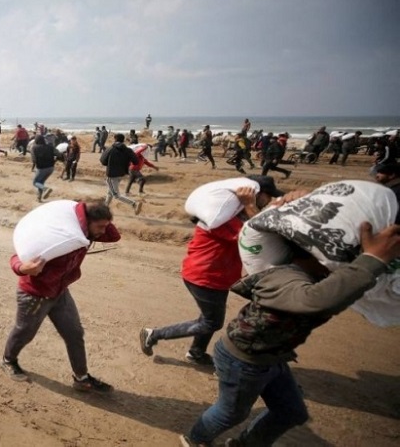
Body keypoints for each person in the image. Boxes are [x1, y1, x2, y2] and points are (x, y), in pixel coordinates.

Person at [180, 222, 400, 447]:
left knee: (291, 412)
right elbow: (317, 301)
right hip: (244, 359)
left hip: (272, 356)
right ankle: (195, 440)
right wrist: (371, 261)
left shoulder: (311, 275)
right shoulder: (286, 276)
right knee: (231, 413)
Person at [140, 177, 286, 365]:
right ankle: (154, 334)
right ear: (254, 195)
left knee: (208, 317)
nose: (269, 200)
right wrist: (250, 205)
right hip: (205, 277)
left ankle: (196, 353)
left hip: (214, 276)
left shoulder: (232, 215)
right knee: (212, 322)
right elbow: (258, 236)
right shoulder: (224, 220)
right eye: (267, 196)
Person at [1, 201, 120, 392]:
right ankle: (8, 360)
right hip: (34, 295)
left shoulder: (85, 233)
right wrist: (23, 268)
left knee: (74, 334)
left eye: (105, 226)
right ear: (88, 222)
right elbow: (19, 255)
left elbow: (114, 237)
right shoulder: (57, 236)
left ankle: (81, 379)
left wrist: (90, 214)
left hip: (60, 292)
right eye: (100, 226)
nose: (103, 231)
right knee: (25, 332)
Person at [101, 133, 142, 213]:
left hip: (111, 174)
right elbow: (136, 161)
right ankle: (105, 208)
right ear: (123, 140)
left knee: (116, 195)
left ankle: (133, 204)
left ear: (115, 139)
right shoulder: (128, 150)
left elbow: (103, 161)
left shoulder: (110, 149)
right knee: (110, 192)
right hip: (121, 174)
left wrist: (110, 163)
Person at [29, 135, 56, 202]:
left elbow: (34, 160)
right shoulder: (50, 146)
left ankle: (46, 189)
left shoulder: (34, 148)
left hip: (41, 168)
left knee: (35, 182)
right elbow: (58, 153)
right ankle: (39, 198)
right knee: (40, 182)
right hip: (51, 168)